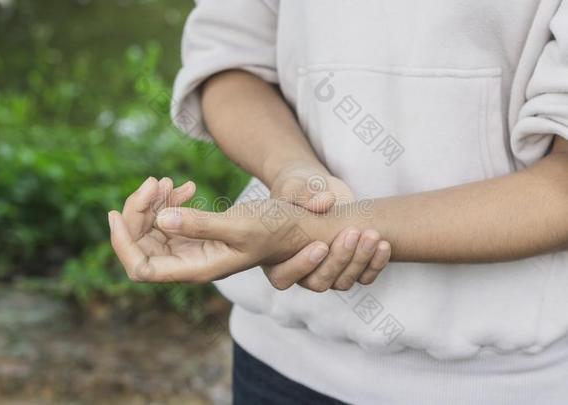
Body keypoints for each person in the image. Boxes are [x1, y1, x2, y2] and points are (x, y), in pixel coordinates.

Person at [108, 1, 568, 403]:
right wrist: (293, 173)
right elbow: (231, 61)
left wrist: (313, 231)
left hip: (509, 380)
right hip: (280, 359)